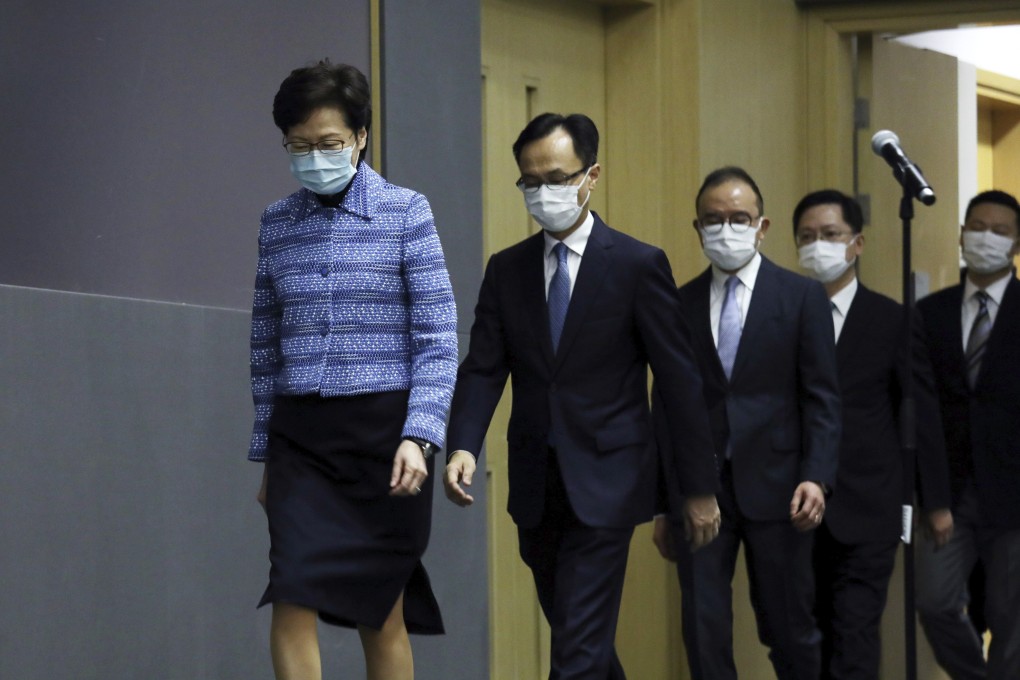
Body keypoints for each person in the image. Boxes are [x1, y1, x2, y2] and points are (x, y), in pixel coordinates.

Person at [443, 112, 720, 679]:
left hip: (608, 484)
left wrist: (696, 488)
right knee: (581, 639)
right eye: (530, 181)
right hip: (537, 489)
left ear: (591, 175)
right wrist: (464, 443)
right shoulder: (508, 270)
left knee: (574, 657)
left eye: (557, 178)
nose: (544, 193)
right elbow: (482, 368)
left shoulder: (638, 266)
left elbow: (679, 383)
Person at [247, 60, 458, 680]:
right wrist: (268, 456)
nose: (315, 156)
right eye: (299, 146)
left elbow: (439, 337)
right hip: (301, 441)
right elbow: (264, 345)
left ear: (361, 137)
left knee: (381, 612)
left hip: (384, 441)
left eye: (329, 143)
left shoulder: (406, 212)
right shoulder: (277, 222)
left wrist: (421, 437)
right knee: (291, 593)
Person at [652, 167, 841, 680]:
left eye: (739, 219)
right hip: (701, 492)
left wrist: (816, 476)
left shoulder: (801, 298)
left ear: (762, 226)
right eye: (714, 220)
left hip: (782, 490)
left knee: (787, 627)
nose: (726, 229)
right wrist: (663, 504)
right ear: (697, 228)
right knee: (704, 626)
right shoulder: (677, 303)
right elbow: (665, 406)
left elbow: (822, 397)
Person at [793, 189, 953, 679]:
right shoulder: (782, 314)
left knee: (855, 635)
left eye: (831, 235)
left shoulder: (893, 320)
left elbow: (920, 414)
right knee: (800, 636)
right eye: (807, 237)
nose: (818, 245)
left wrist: (937, 501)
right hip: (794, 507)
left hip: (868, 505)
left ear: (857, 243)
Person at [915, 189, 1020, 680]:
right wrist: (931, 499)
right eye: (977, 226)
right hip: (948, 491)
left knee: (1012, 618)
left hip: (1015, 493)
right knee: (934, 602)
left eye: (1000, 231)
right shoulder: (928, 313)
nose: (986, 238)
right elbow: (919, 407)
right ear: (960, 234)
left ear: (1016, 244)